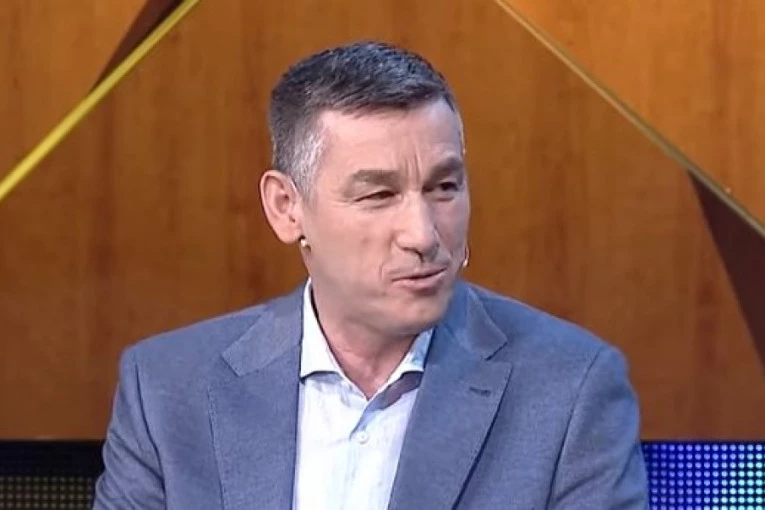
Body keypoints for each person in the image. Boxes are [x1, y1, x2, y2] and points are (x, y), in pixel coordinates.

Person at [94, 41, 648, 509]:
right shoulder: (166, 392)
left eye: (444, 187)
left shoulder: (570, 391)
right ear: (286, 208)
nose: (424, 235)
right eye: (379, 195)